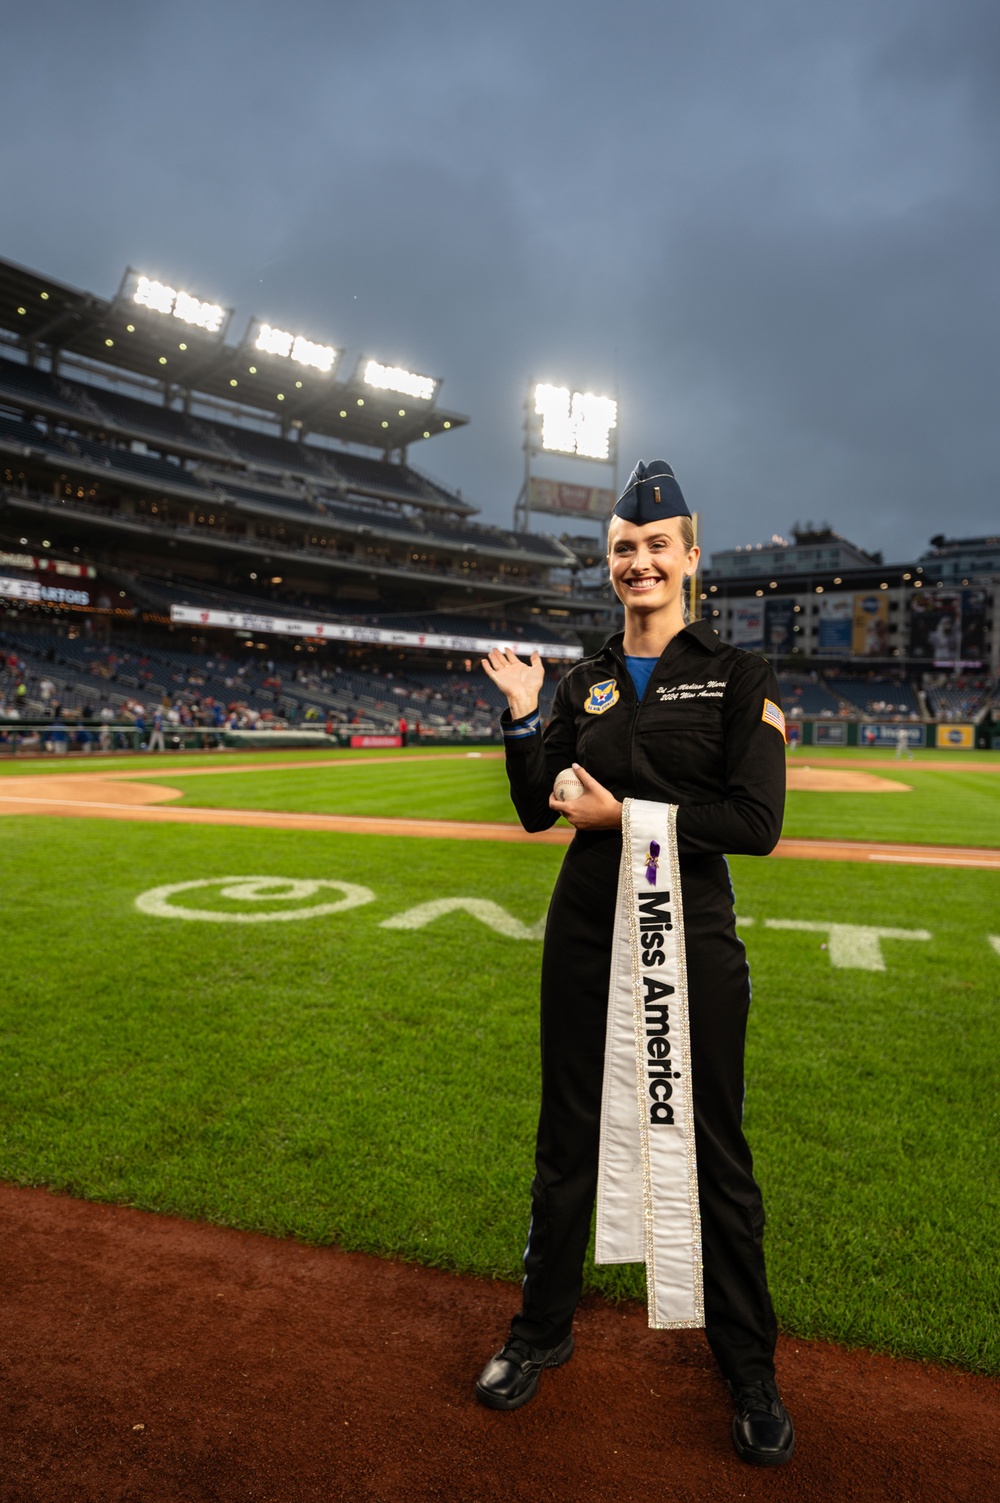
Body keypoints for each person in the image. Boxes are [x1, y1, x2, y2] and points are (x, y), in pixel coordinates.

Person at [479, 460, 794, 1467]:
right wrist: (527, 715)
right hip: (585, 925)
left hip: (690, 934)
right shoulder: (583, 680)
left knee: (712, 1152)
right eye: (622, 547)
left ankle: (748, 1367)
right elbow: (538, 808)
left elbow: (756, 821)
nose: (638, 559)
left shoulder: (741, 678)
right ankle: (539, 1331)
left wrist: (631, 817)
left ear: (690, 557)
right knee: (565, 1135)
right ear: (607, 565)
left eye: (656, 544)